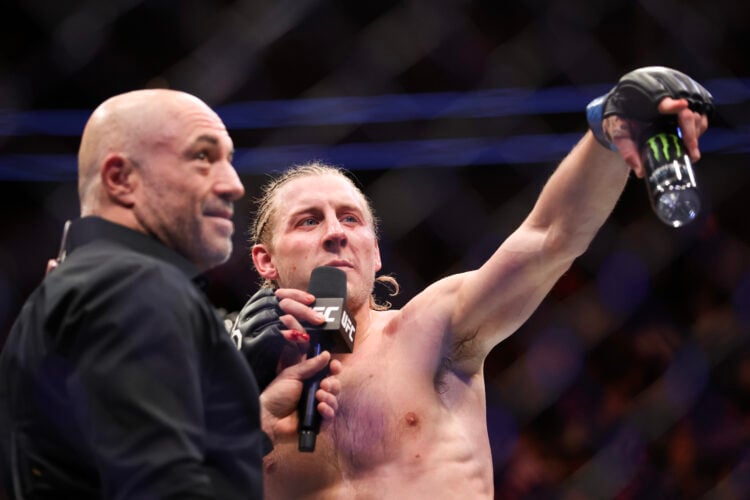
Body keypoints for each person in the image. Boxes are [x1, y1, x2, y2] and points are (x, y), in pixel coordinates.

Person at [233, 67, 713, 498]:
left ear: (375, 252)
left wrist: (610, 130)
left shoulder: (432, 326)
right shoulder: (231, 385)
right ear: (265, 261)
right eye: (309, 221)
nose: (336, 233)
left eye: (351, 219)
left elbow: (548, 239)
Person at [0, 89, 341, 500]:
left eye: (229, 160)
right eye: (202, 157)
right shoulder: (137, 285)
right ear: (121, 179)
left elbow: (116, 463)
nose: (233, 185)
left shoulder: (70, 289)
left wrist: (260, 419)